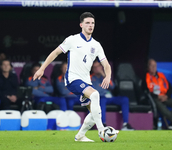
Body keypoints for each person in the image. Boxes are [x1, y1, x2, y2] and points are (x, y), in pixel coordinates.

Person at [33, 12, 117, 142]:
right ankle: (102, 130)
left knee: (95, 111)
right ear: (81, 25)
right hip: (72, 79)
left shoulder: (96, 45)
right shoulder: (72, 40)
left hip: (86, 81)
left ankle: (80, 136)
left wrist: (108, 76)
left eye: (92, 23)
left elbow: (106, 64)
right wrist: (42, 68)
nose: (90, 25)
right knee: (95, 95)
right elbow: (55, 52)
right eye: (87, 23)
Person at [91, 60, 134, 130]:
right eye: (94, 67)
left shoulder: (105, 76)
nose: (97, 69)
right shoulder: (91, 77)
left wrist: (104, 75)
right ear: (92, 69)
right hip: (100, 98)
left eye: (98, 66)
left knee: (124, 99)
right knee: (102, 100)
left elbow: (112, 86)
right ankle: (103, 125)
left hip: (109, 97)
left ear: (101, 67)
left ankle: (126, 124)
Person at [145, 59, 172, 129]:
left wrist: (166, 96)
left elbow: (170, 88)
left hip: (164, 97)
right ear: (147, 67)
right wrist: (157, 96)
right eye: (151, 65)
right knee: (158, 103)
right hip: (154, 98)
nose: (153, 67)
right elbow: (146, 90)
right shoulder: (146, 77)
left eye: (155, 65)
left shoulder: (161, 75)